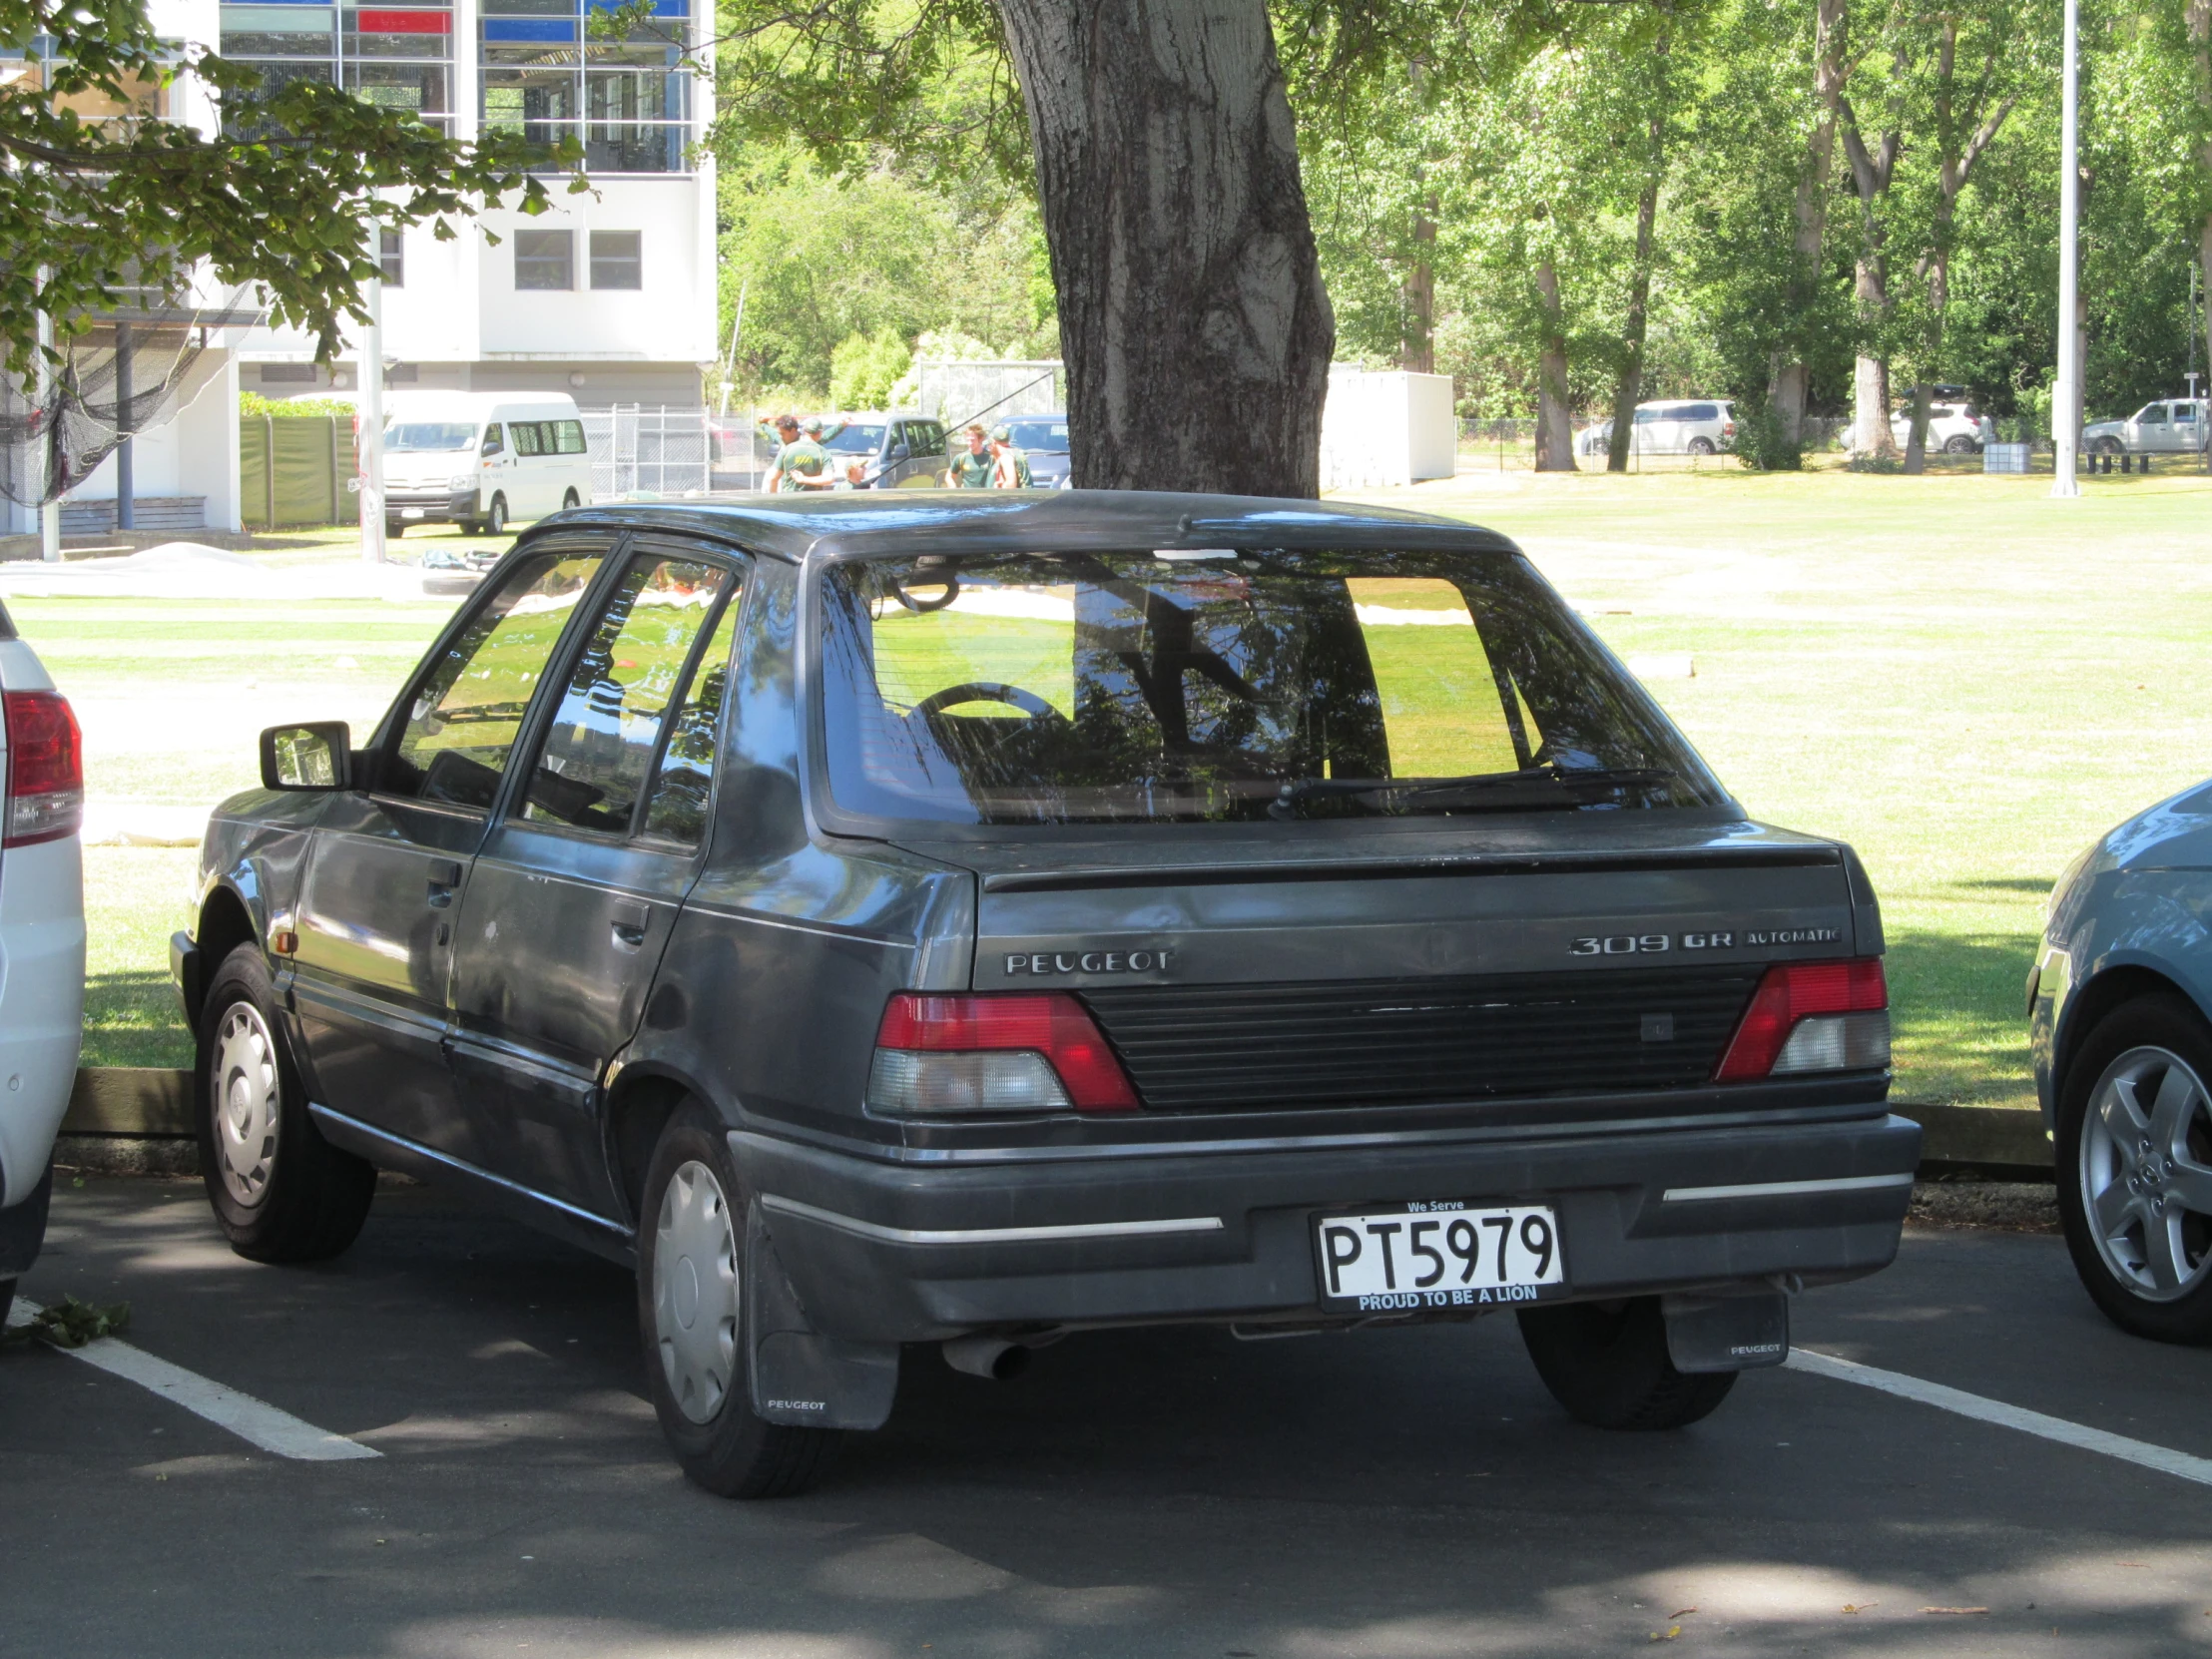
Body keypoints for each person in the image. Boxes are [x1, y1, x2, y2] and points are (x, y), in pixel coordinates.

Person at [764, 415, 832, 493]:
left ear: (804, 430)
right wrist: (804, 479)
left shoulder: (787, 449)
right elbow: (829, 479)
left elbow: (773, 478)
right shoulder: (822, 452)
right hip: (813, 502)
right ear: (820, 433)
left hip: (790, 501)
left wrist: (774, 501)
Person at [944, 422, 992, 488]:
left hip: (986, 496)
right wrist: (954, 489)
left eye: (972, 440)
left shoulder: (990, 457)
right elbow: (949, 477)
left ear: (981, 439)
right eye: (968, 440)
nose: (970, 443)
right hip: (969, 497)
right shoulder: (961, 458)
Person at [988, 422, 1032, 488]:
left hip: (1020, 497)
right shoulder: (1016, 452)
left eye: (989, 445)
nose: (989, 448)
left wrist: (998, 491)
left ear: (994, 443)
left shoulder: (1006, 457)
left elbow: (1011, 484)